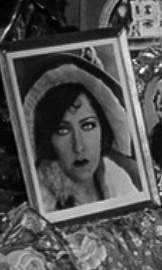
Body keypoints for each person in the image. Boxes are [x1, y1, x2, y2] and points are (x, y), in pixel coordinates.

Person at [22, 54, 141, 212]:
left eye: (88, 125)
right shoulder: (41, 200)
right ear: (48, 138)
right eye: (63, 130)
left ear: (103, 128)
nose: (78, 146)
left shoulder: (117, 178)